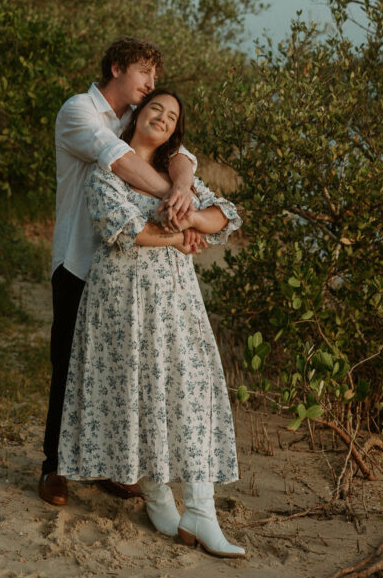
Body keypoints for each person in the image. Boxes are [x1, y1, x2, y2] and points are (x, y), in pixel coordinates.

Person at [58, 89, 245, 559]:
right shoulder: (107, 172)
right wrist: (182, 234)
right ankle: (159, 496)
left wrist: (192, 215)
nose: (161, 117)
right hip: (120, 301)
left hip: (176, 299)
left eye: (172, 115)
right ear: (137, 116)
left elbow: (226, 216)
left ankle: (201, 509)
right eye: (154, 109)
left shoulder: (175, 176)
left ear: (174, 131)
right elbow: (124, 231)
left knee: (189, 388)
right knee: (139, 392)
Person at [39, 39, 200, 507]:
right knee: (68, 367)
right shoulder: (78, 112)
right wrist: (178, 202)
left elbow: (180, 153)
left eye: (154, 77)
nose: (151, 84)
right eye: (144, 73)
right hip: (78, 261)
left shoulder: (136, 116)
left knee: (119, 367)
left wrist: (184, 187)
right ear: (116, 68)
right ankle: (54, 467)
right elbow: (123, 162)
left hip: (126, 268)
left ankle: (108, 465)